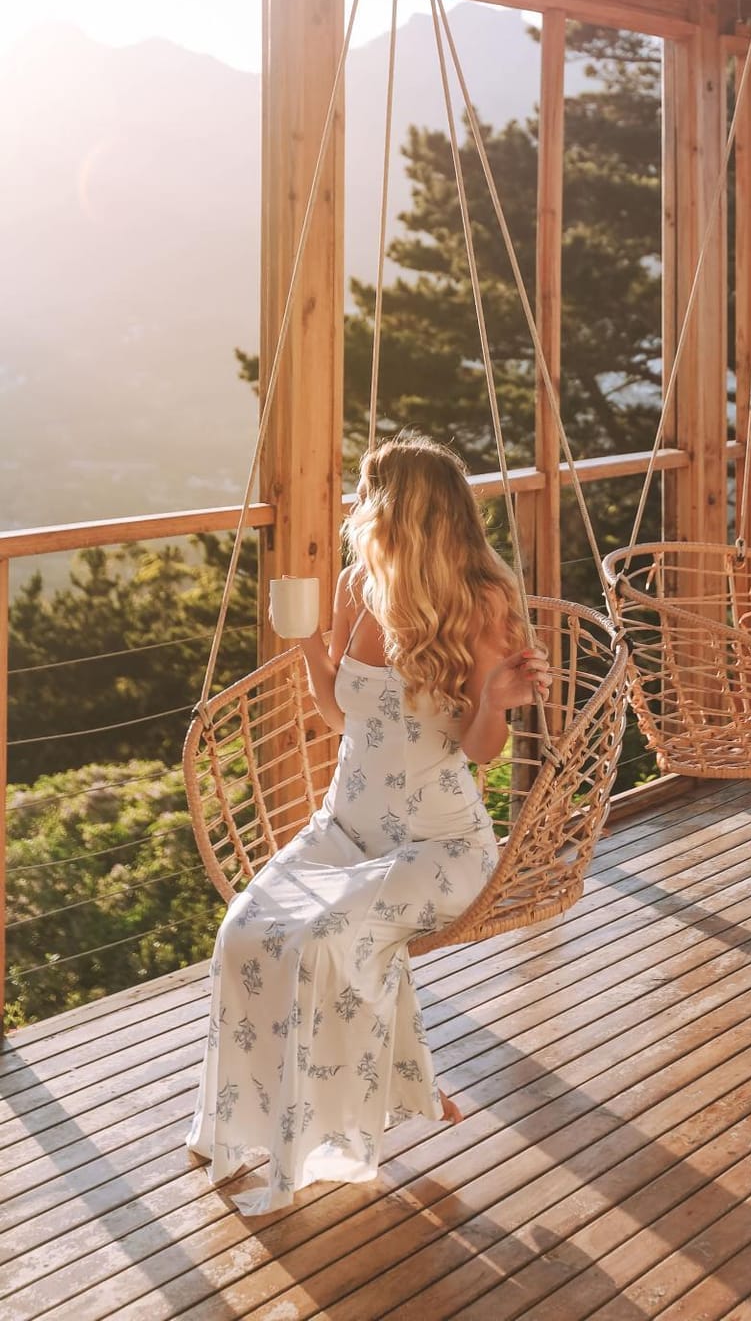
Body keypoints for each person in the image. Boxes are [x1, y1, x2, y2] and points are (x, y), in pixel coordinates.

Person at [186, 433, 549, 1214]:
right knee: (245, 930)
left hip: (439, 848)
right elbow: (337, 714)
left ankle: (324, 1134)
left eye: (368, 495)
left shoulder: (484, 603)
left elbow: (481, 751)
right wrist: (314, 654)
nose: (356, 509)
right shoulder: (356, 587)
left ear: (404, 512)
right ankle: (243, 1119)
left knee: (321, 941)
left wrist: (492, 705)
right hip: (343, 831)